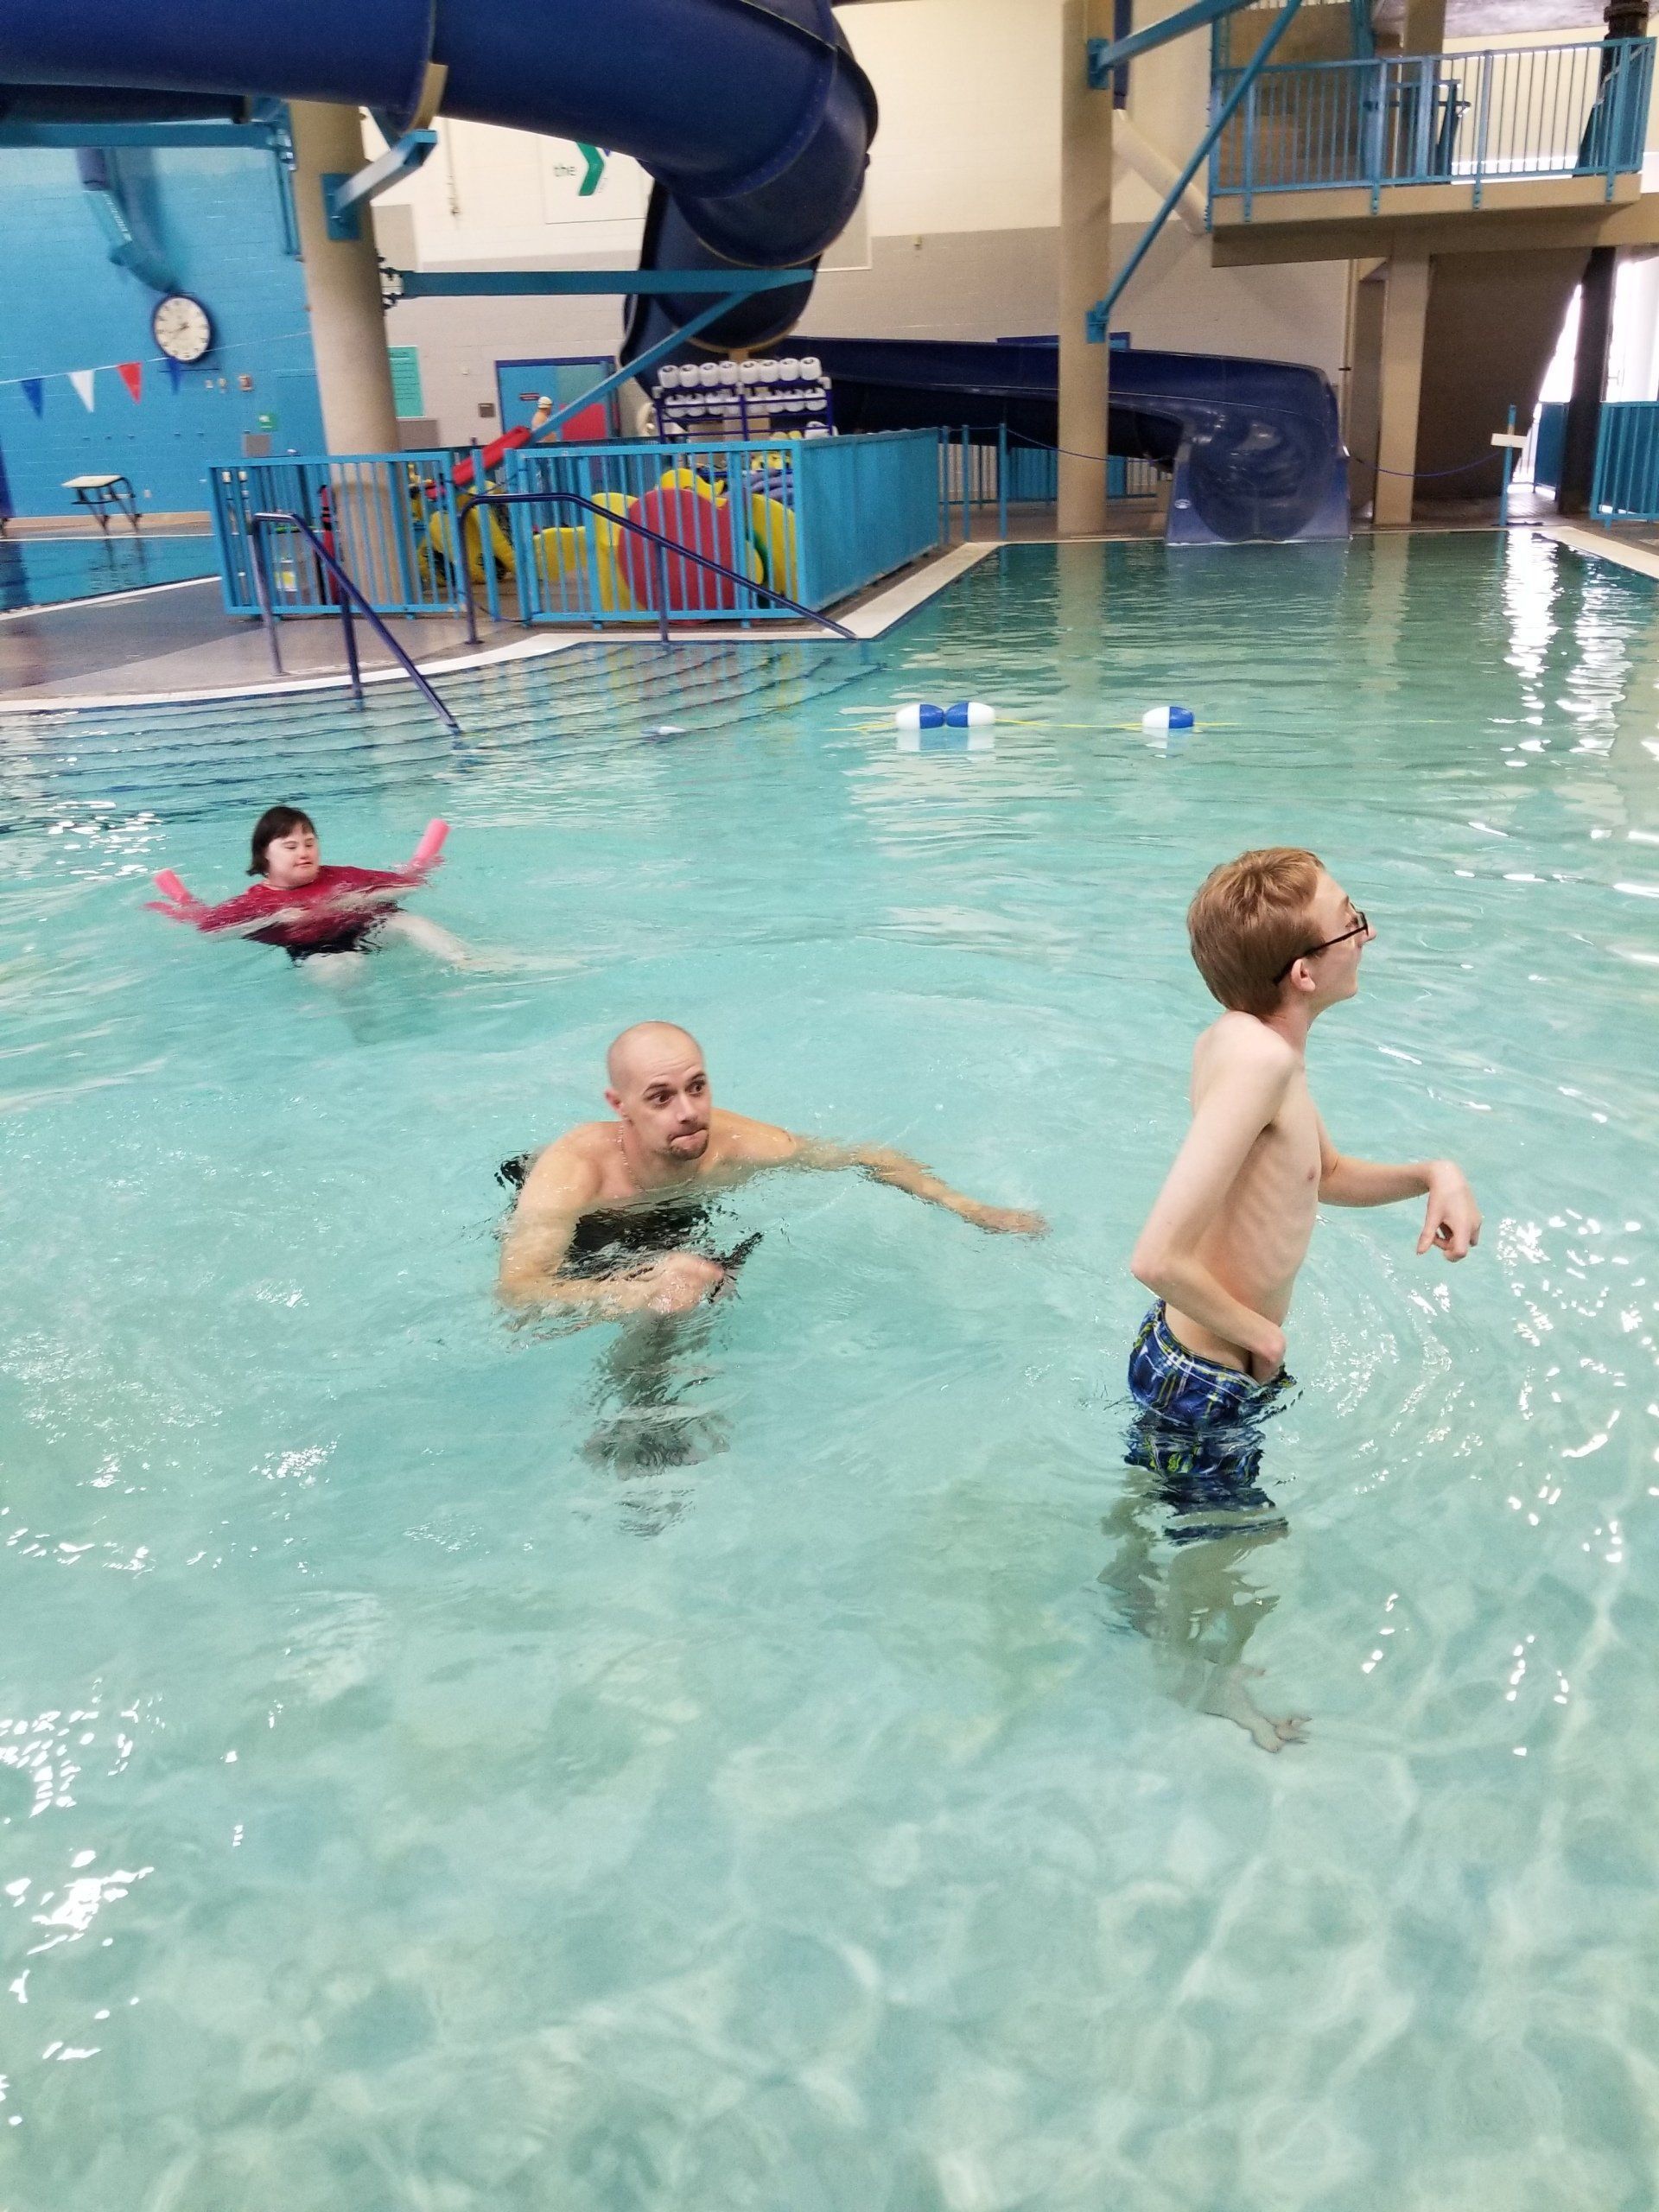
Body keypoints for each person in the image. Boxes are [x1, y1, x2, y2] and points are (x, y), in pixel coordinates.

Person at [1124, 847, 1482, 1751]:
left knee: (1174, 1509)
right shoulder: (1261, 1064)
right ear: (1305, 972)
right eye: (1352, 920)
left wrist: (1435, 1172)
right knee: (1240, 1541)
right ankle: (1203, 1681)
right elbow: (1157, 1255)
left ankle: (1132, 1595)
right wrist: (1264, 1340)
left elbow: (1323, 1174)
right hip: (1210, 1380)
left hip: (1180, 1361)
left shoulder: (1250, 1043)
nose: (1370, 933)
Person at [497, 1020, 1046, 1318]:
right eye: (661, 1097)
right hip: (592, 1225)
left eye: (697, 1087)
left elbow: (866, 1155)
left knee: (693, 1288)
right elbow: (519, 1291)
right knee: (666, 1291)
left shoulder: (737, 1145)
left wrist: (971, 1209)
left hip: (673, 1213)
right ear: (620, 1106)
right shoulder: (576, 1172)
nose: (688, 1112)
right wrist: (635, 1290)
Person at [160, 806, 468, 976]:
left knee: (412, 923)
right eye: (291, 846)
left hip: (365, 929)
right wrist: (276, 919)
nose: (304, 852)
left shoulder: (341, 877)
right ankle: (364, 1026)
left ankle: (467, 963)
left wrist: (356, 899)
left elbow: (407, 885)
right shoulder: (258, 901)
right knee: (344, 971)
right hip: (316, 949)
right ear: (264, 856)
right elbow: (211, 932)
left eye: (309, 843)